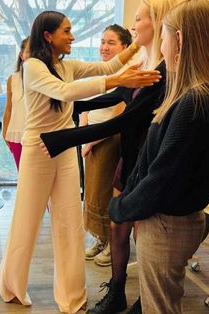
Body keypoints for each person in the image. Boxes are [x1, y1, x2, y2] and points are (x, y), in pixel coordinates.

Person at [0, 10, 161, 314]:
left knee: (70, 221)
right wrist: (116, 79)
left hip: (65, 148)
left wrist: (137, 45)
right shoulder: (33, 67)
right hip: (38, 151)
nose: (72, 37)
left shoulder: (66, 65)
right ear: (48, 36)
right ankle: (11, 286)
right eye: (67, 31)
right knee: (26, 221)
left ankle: (73, 298)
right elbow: (64, 91)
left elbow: (108, 65)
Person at [40, 0, 177, 314]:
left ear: (157, 23)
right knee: (118, 225)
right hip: (129, 155)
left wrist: (64, 137)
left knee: (141, 233)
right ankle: (117, 292)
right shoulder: (144, 61)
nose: (134, 23)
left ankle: (147, 297)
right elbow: (116, 94)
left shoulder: (164, 70)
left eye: (140, 18)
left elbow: (128, 117)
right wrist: (70, 105)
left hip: (147, 159)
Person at [108, 0, 209, 314]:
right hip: (174, 221)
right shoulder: (202, 95)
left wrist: (120, 207)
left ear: (179, 40)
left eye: (164, 36)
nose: (161, 47)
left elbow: (162, 178)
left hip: (166, 225)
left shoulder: (194, 102)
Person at [82, 24, 132, 266]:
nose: (104, 47)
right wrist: (84, 134)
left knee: (105, 192)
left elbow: (119, 116)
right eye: (102, 41)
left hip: (109, 140)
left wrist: (91, 140)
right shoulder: (99, 72)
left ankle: (112, 243)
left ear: (125, 47)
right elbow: (87, 103)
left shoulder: (128, 73)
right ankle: (100, 238)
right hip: (90, 140)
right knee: (92, 191)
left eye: (111, 42)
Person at [2, 37, 29, 169]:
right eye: (29, 52)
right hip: (16, 134)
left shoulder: (45, 79)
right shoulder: (12, 79)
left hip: (37, 136)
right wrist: (5, 131)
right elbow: (9, 108)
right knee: (23, 176)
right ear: (21, 55)